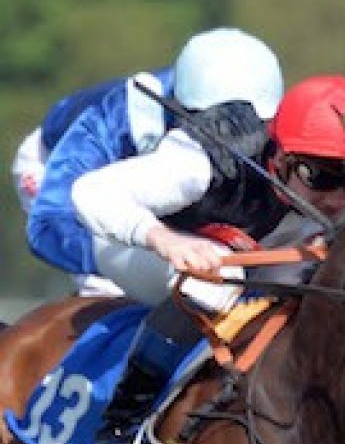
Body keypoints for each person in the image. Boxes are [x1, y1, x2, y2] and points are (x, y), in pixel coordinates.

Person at [67, 68, 345, 444]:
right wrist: (167, 241)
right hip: (134, 248)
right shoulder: (205, 163)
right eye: (322, 176)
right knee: (212, 287)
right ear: (281, 157)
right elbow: (89, 192)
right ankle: (119, 424)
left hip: (252, 256)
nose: (338, 198)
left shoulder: (338, 190)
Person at [24, 28, 284, 300]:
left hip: (133, 185)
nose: (228, 134)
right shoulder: (115, 120)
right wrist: (155, 245)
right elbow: (47, 227)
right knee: (112, 289)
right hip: (55, 170)